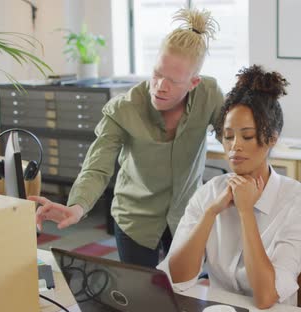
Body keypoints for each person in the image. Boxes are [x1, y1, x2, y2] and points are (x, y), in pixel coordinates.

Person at [30, 8, 224, 268]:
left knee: (186, 295)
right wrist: (77, 206)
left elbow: (233, 138)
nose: (160, 86)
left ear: (193, 82)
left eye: (173, 81)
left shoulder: (209, 94)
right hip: (136, 218)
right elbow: (97, 166)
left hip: (187, 215)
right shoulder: (123, 108)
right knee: (141, 297)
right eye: (157, 74)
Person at [157, 65, 301, 309]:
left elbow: (266, 297)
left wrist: (245, 212)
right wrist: (210, 213)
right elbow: (177, 279)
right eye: (228, 136)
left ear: (272, 138)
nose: (234, 147)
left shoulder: (299, 202)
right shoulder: (210, 192)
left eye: (247, 136)